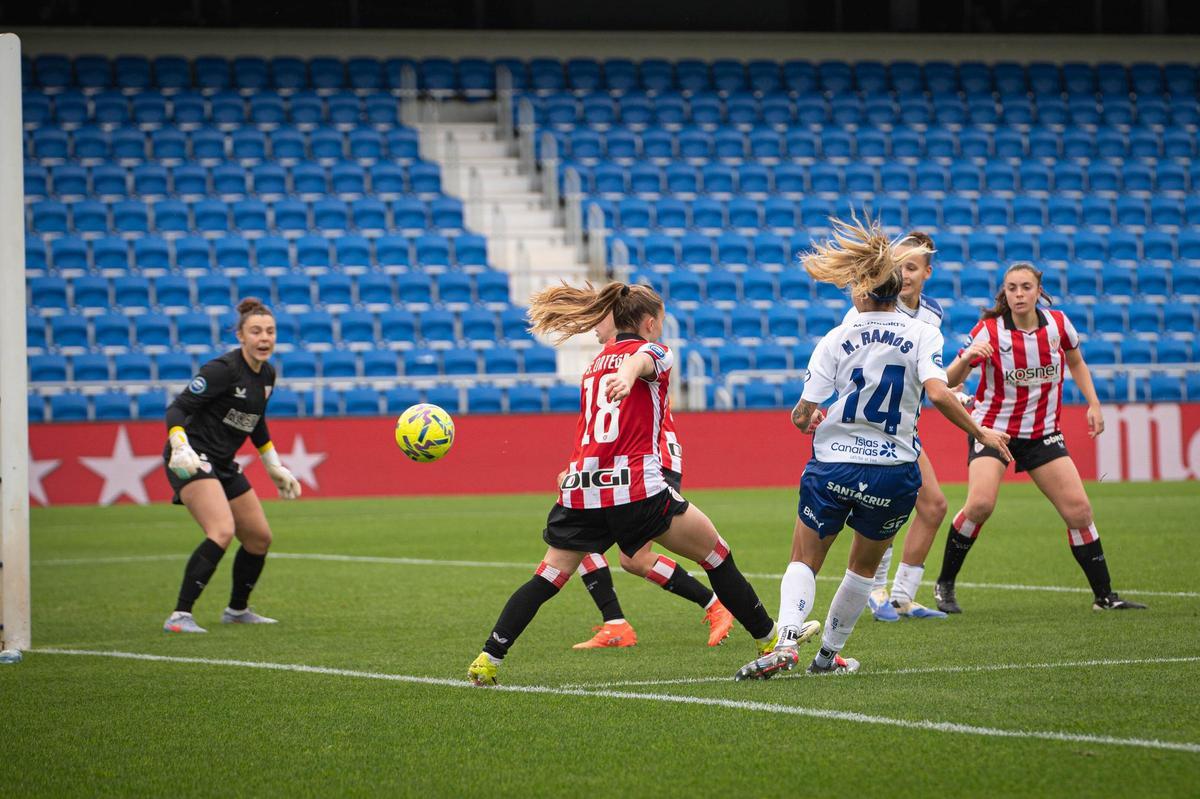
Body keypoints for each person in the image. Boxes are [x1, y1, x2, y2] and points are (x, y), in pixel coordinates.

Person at [735, 218, 1012, 681]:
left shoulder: (837, 336)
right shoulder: (924, 333)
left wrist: (810, 419)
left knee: (804, 558)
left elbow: (802, 416)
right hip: (894, 468)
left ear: (864, 291)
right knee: (863, 569)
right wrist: (981, 433)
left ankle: (786, 642)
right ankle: (828, 658)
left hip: (835, 464)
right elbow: (939, 392)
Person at [468, 283, 778, 685]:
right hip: (636, 491)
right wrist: (630, 374)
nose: (660, 329)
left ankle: (489, 658)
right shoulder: (654, 352)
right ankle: (769, 641)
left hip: (583, 491)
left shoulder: (594, 366)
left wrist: (573, 470)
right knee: (716, 554)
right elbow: (643, 360)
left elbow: (592, 429)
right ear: (649, 323)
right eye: (660, 322)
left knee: (547, 577)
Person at [933, 263, 1147, 614]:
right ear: (1005, 293)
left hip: (1042, 433)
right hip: (993, 430)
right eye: (1012, 288)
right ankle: (945, 584)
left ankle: (1105, 597)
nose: (1019, 294)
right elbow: (948, 380)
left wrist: (1094, 403)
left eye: (1026, 287)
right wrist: (968, 357)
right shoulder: (989, 331)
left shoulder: (1059, 324)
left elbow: (1076, 362)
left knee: (1079, 511)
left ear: (1038, 291)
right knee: (980, 505)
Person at [570, 313, 735, 650]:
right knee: (597, 547)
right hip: (626, 467)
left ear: (617, 319)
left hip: (651, 464)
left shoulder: (635, 355)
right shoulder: (608, 360)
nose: (594, 327)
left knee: (618, 552)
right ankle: (616, 624)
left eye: (599, 319)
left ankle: (718, 605)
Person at [161, 297, 302, 633]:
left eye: (270, 331)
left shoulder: (267, 374)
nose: (264, 338)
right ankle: (179, 616)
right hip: (192, 457)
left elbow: (256, 420)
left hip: (223, 462)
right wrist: (179, 444)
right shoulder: (222, 370)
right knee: (221, 530)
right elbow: (177, 409)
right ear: (241, 336)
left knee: (259, 538)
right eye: (256, 331)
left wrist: (273, 465)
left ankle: (237, 611)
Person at [838, 231, 952, 622]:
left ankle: (902, 596)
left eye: (912, 267)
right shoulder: (867, 308)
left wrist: (953, 391)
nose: (903, 274)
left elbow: (924, 373)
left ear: (927, 273)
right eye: (898, 266)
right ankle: (876, 591)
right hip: (869, 429)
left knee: (933, 506)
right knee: (881, 505)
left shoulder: (932, 313)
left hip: (903, 428)